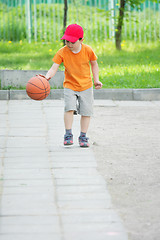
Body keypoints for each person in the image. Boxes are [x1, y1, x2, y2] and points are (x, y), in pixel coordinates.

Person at [39, 24, 103, 147]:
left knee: (86, 112)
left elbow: (94, 65)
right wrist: (47, 77)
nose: (69, 44)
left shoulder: (88, 50)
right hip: (70, 85)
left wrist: (96, 80)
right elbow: (54, 67)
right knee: (69, 108)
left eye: (72, 42)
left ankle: (83, 136)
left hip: (86, 86)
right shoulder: (62, 52)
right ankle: (68, 135)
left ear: (81, 40)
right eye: (67, 41)